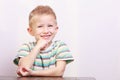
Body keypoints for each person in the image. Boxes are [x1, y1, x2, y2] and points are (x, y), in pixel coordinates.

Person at [13, 5, 74, 77]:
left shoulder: (60, 46)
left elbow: (59, 71)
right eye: (40, 26)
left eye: (50, 26)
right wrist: (37, 47)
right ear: (31, 31)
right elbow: (23, 68)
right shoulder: (26, 47)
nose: (46, 31)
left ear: (56, 29)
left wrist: (32, 73)